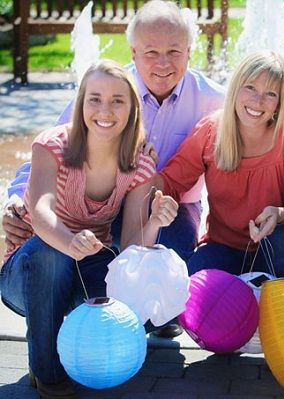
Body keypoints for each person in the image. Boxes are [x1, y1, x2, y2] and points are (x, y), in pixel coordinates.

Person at [2, 0, 225, 338]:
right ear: (133, 52)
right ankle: (82, 316)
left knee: (161, 310)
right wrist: (19, 201)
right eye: (151, 52)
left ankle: (143, 319)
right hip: (106, 204)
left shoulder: (214, 100)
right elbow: (54, 147)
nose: (163, 63)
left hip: (173, 207)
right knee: (82, 266)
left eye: (174, 51)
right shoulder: (109, 92)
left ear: (190, 51)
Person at [0, 60, 178, 399]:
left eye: (117, 100)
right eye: (94, 98)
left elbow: (130, 249)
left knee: (143, 305)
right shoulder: (52, 146)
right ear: (81, 103)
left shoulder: (138, 163)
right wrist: (69, 241)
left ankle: (76, 351)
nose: (105, 110)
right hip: (28, 275)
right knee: (50, 253)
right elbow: (40, 212)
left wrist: (154, 220)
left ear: (131, 109)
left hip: (86, 270)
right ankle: (47, 373)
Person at [156, 50, 284, 291]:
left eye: (270, 94)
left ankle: (279, 321)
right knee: (196, 282)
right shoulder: (212, 130)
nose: (258, 101)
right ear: (235, 88)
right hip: (223, 248)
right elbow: (171, 182)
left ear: (279, 102)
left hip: (275, 247)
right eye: (250, 88)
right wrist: (138, 175)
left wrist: (280, 214)